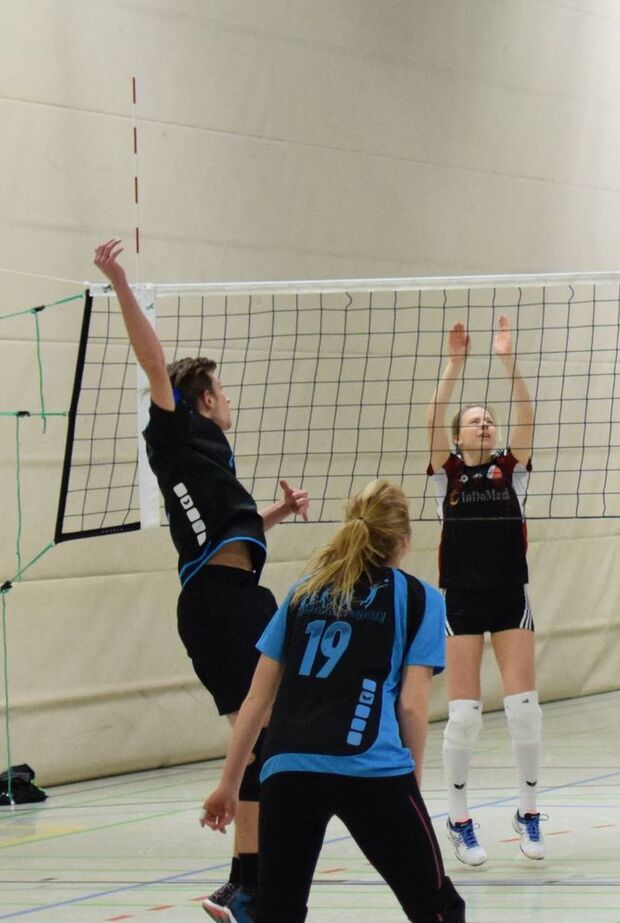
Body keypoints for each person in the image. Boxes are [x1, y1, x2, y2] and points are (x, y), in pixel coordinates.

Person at [92, 239, 310, 920]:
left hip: (229, 596)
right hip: (222, 603)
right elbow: (152, 360)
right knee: (265, 733)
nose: (229, 398)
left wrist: (273, 512)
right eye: (223, 390)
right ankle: (250, 882)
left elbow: (219, 533)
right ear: (205, 398)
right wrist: (122, 283)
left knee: (261, 736)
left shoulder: (209, 457)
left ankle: (243, 883)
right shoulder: (177, 431)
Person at [201, 480, 464, 923]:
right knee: (437, 907)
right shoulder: (418, 597)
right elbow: (411, 707)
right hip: (371, 768)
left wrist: (228, 785)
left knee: (277, 913)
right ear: (403, 540)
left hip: (287, 771)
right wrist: (409, 787)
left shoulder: (304, 591)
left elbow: (257, 701)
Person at [427, 316, 543, 863]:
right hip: (462, 600)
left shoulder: (511, 471)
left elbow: (527, 415)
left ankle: (528, 811)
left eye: (488, 421)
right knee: (466, 716)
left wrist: (506, 361)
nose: (485, 426)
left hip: (509, 596)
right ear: (457, 435)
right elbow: (431, 417)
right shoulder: (444, 473)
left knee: (523, 709)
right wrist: (454, 365)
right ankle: (459, 817)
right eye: (475, 421)